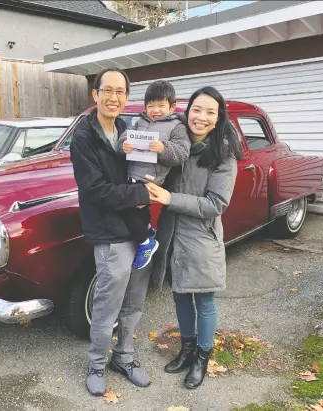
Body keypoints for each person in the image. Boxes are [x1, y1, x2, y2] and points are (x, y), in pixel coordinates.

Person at [146, 86, 242, 389]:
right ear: (187, 111)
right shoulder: (177, 144)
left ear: (218, 118)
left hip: (201, 238)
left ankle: (202, 356)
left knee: (204, 300)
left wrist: (170, 198)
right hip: (172, 234)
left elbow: (216, 204)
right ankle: (186, 350)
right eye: (196, 109)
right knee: (179, 295)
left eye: (209, 112)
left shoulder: (223, 156)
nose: (201, 117)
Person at [69, 68, 153, 396]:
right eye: (108, 90)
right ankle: (96, 363)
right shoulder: (84, 137)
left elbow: (144, 169)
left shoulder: (125, 129)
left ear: (127, 97)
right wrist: (143, 195)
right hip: (109, 233)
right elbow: (95, 190)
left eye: (120, 92)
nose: (114, 97)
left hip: (137, 227)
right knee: (107, 304)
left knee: (134, 301)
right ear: (95, 94)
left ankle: (125, 357)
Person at [118, 80, 190, 270]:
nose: (155, 110)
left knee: (126, 207)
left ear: (172, 106)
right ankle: (147, 229)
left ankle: (145, 243)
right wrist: (123, 144)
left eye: (160, 105)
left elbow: (182, 153)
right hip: (133, 172)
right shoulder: (140, 121)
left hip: (152, 178)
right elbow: (125, 136)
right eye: (150, 105)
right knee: (138, 210)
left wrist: (163, 148)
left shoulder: (177, 126)